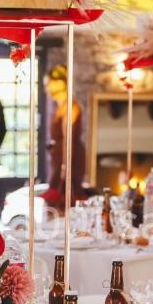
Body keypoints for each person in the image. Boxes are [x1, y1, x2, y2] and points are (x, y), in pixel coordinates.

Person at [42, 65, 87, 208]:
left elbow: (69, 139)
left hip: (69, 156)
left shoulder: (71, 107)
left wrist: (64, 168)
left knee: (65, 196)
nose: (47, 88)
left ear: (60, 83)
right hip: (59, 156)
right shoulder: (60, 107)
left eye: (49, 83)